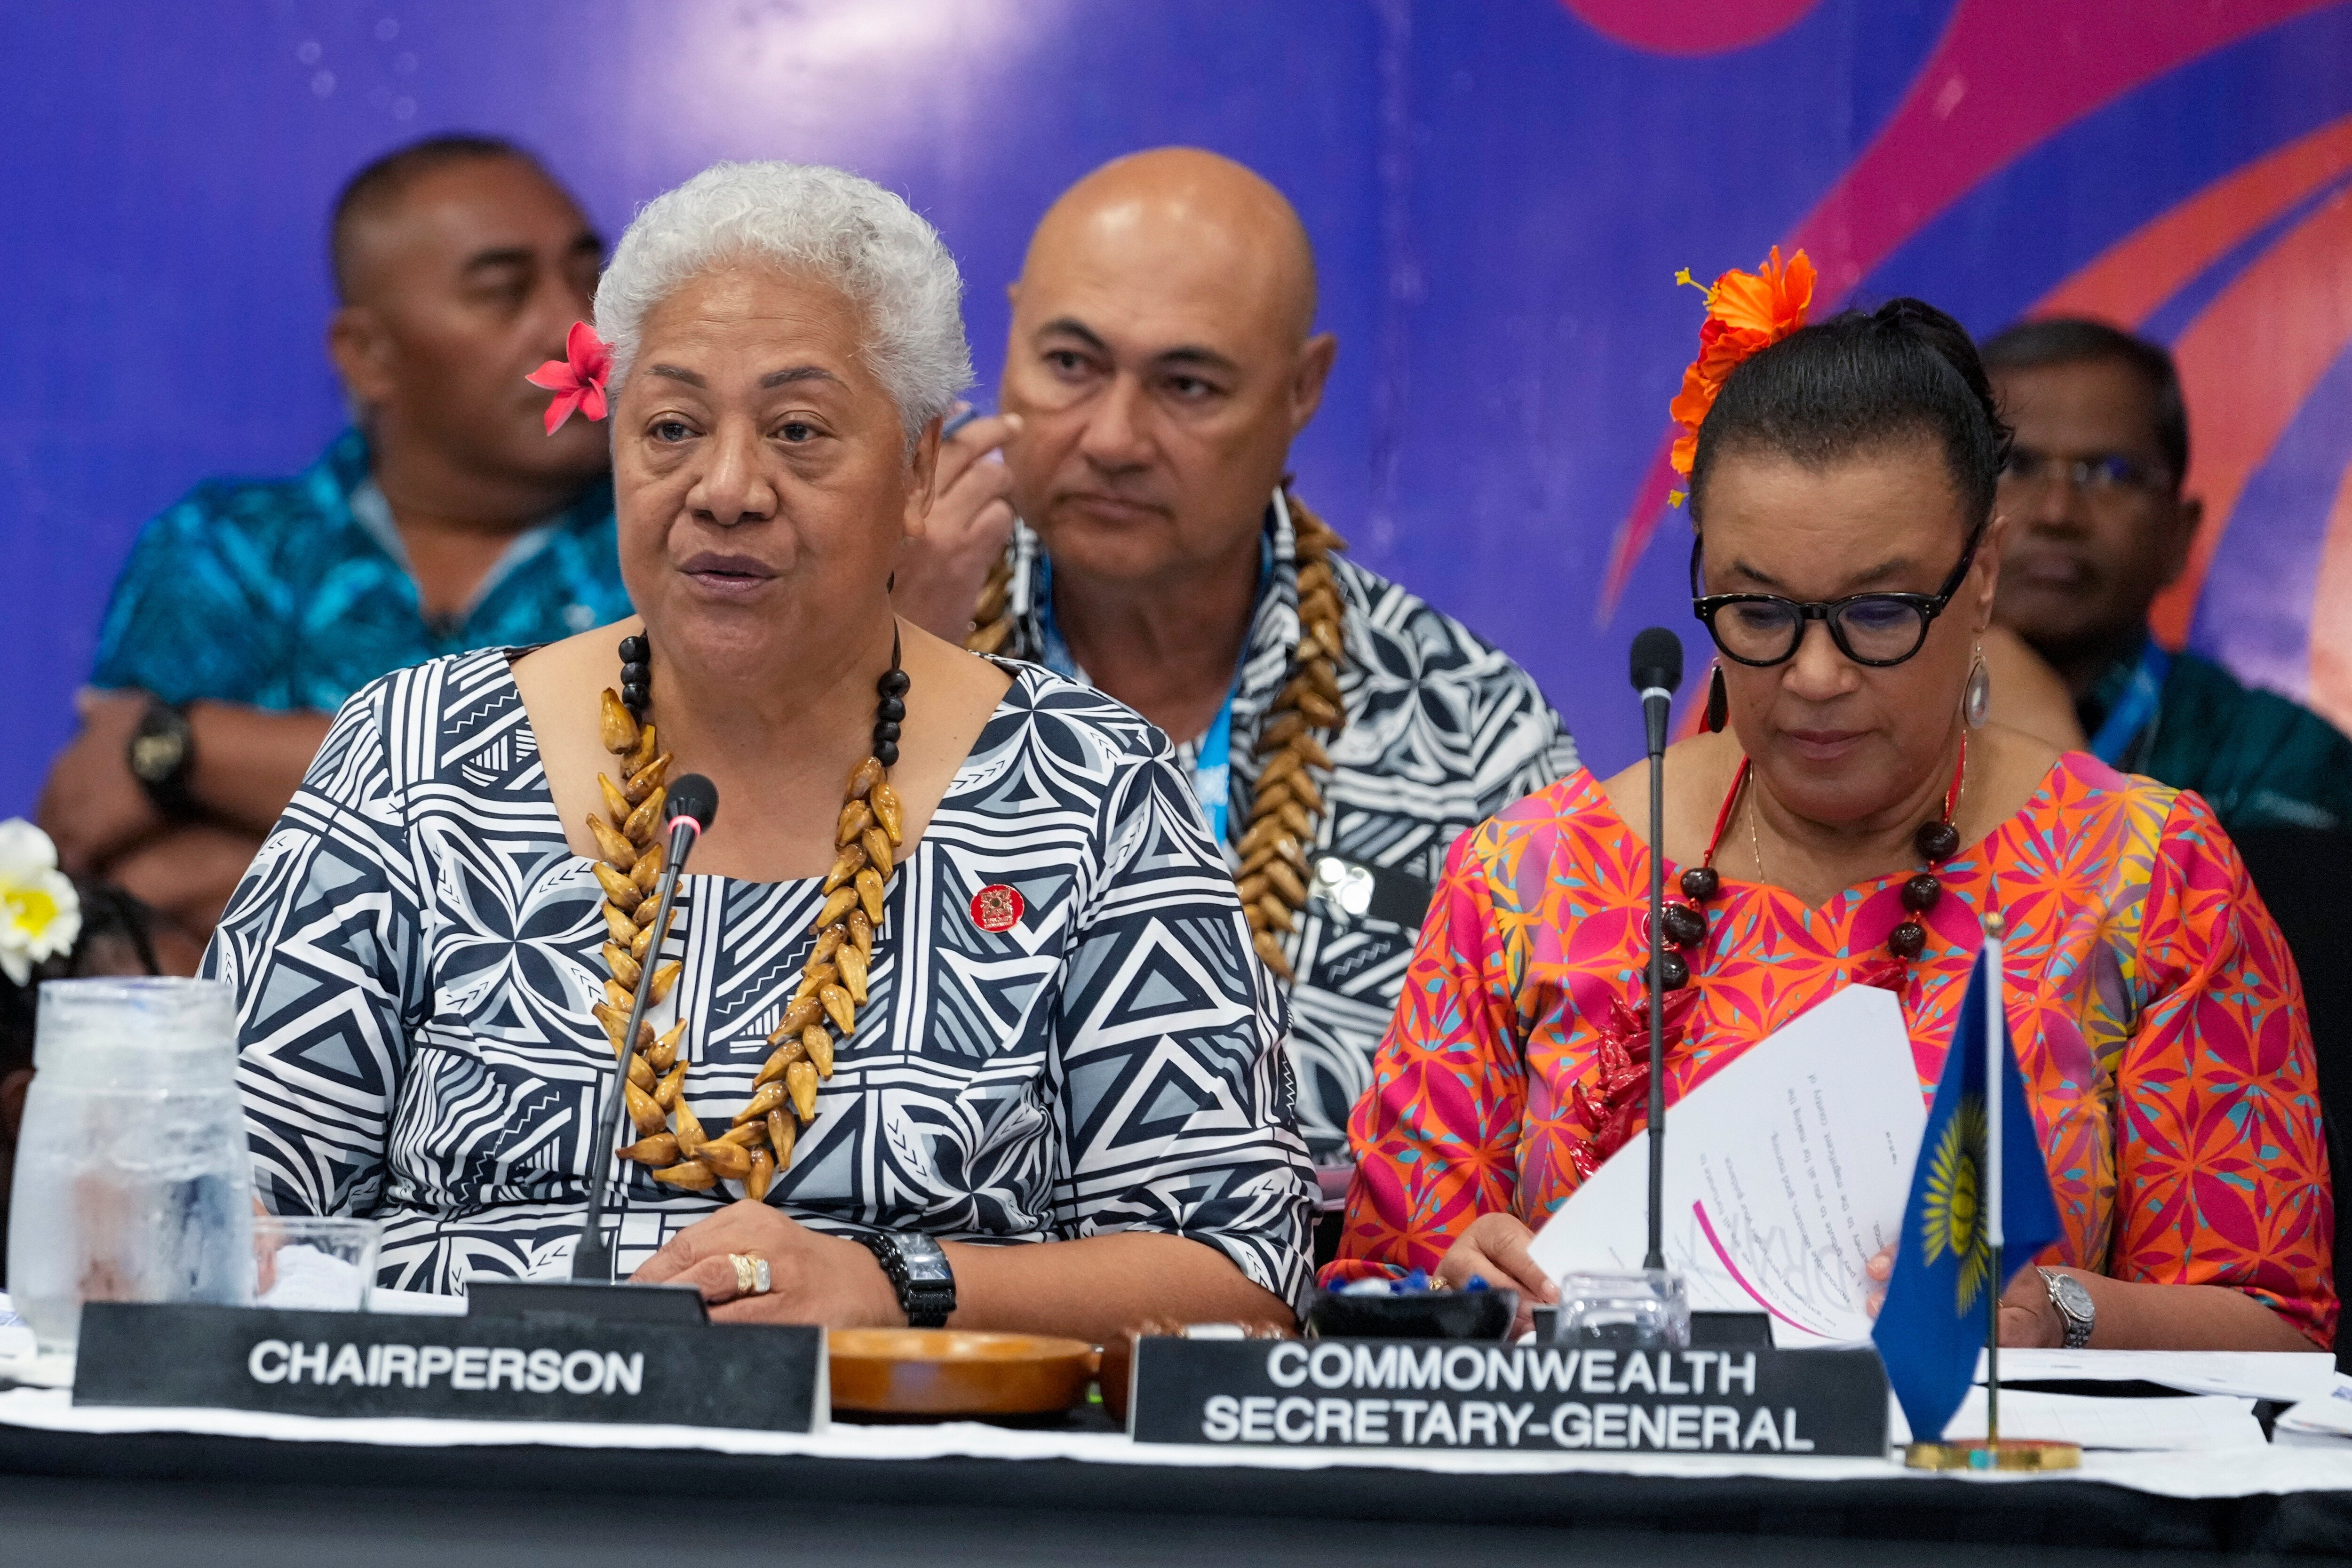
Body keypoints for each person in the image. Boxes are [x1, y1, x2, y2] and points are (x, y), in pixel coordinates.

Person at [210, 161, 1313, 1338]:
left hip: (904, 1500)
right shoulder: (419, 756)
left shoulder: (1087, 793)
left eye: (798, 430)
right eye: (673, 427)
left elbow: (1241, 1272)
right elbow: (219, 1206)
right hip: (461, 1491)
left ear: (921, 468)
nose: (726, 489)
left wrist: (900, 1287)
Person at [1326, 271, 2334, 1351]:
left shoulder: (2145, 875)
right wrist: (1459, 1290)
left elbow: (2274, 1324)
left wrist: (2060, 1314)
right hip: (1604, 1508)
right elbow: (1374, 1290)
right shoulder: (1533, 879)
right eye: (1757, 611)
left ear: (1982, 578)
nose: (1812, 674)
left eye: (1877, 611)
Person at [895, 148, 1579, 1163]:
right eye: (1070, 365)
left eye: (1187, 384)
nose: (1115, 438)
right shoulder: (884, 650)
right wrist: (891, 663)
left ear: (1302, 388)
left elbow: (1568, 1116)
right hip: (940, 1314)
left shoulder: (1468, 727)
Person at [35, 135, 631, 953]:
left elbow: (647, 824)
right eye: (503, 291)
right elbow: (122, 874)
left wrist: (193, 745)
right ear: (369, 356)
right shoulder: (226, 552)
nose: (581, 329)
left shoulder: (674, 547)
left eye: (588, 277)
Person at [1984, 317, 2352, 834]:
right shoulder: (1867, 731)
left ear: (2177, 536)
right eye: (2012, 466)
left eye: (2108, 472)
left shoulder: (2278, 752)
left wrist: (2053, 761)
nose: (2055, 512)